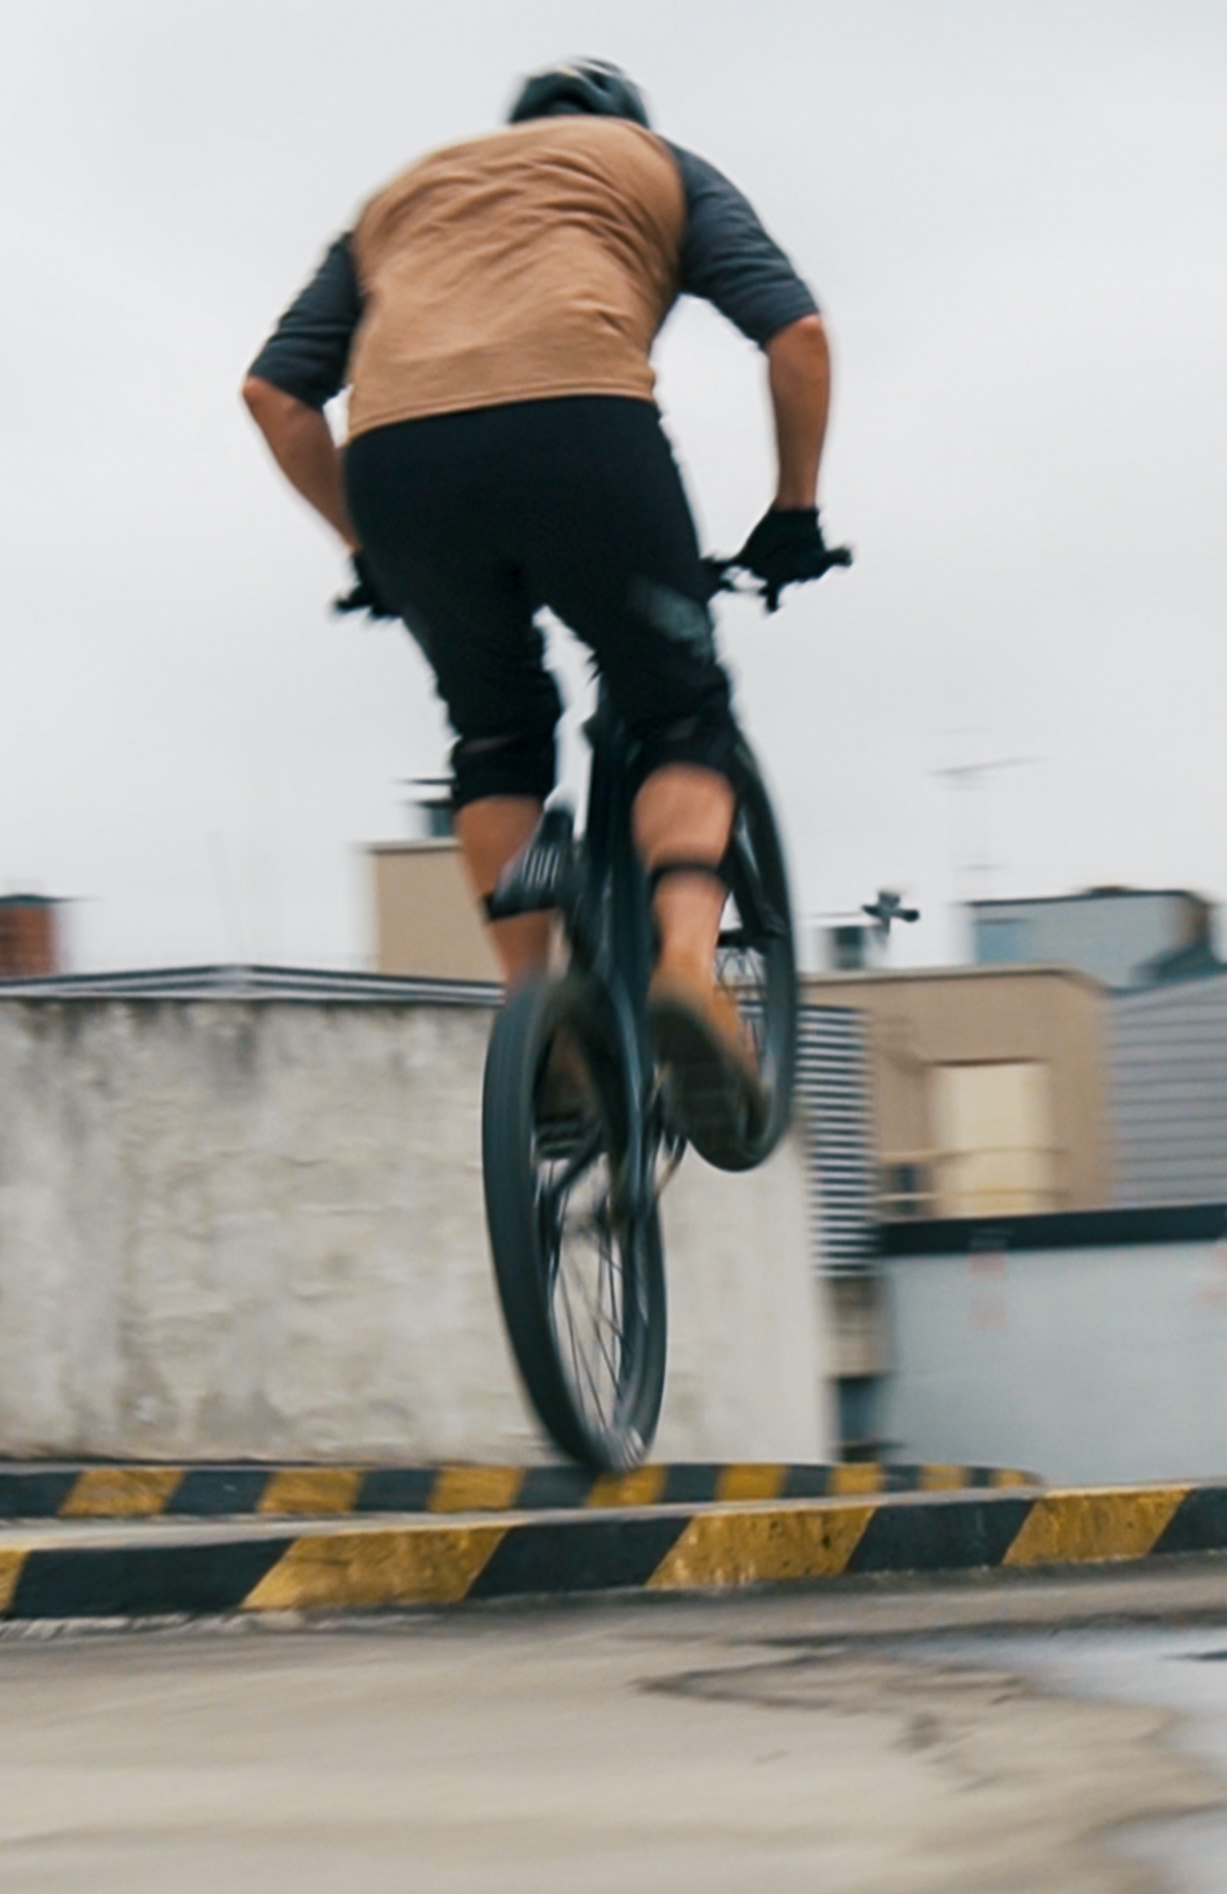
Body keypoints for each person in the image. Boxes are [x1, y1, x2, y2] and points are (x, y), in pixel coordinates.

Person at [239, 58, 846, 1169]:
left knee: (497, 731)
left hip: (399, 463)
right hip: (582, 436)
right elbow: (795, 335)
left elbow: (273, 393)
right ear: (622, 123)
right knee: (678, 711)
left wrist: (369, 554)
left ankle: (539, 1012)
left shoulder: (403, 196)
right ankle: (686, 973)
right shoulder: (655, 166)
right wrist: (794, 513)